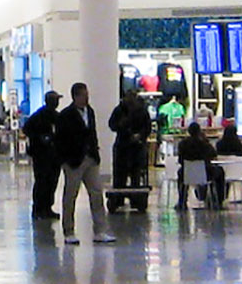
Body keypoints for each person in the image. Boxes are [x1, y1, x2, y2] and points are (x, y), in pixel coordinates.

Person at [52, 82, 114, 244]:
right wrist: (65, 159)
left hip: (91, 158)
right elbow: (59, 140)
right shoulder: (65, 115)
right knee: (70, 196)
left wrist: (95, 151)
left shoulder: (90, 112)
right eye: (84, 95)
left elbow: (92, 133)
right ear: (76, 96)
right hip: (73, 161)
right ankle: (69, 231)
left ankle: (100, 230)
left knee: (96, 193)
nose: (87, 98)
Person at [21, 91, 64, 220]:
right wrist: (40, 138)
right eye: (55, 100)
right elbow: (26, 129)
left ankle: (48, 207)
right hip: (41, 155)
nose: (57, 102)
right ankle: (38, 209)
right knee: (41, 181)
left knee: (52, 181)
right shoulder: (39, 115)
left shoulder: (57, 116)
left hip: (54, 156)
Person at [108, 90, 154, 191]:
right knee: (120, 175)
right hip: (122, 146)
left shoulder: (141, 111)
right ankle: (119, 198)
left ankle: (135, 199)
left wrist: (140, 135)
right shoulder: (119, 110)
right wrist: (122, 125)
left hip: (136, 147)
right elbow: (112, 125)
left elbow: (147, 127)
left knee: (135, 175)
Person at [175, 123, 219, 208]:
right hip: (204, 174)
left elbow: (180, 160)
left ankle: (182, 200)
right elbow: (213, 154)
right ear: (199, 131)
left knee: (180, 173)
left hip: (187, 174)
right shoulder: (204, 144)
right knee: (219, 172)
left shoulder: (183, 144)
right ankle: (216, 199)